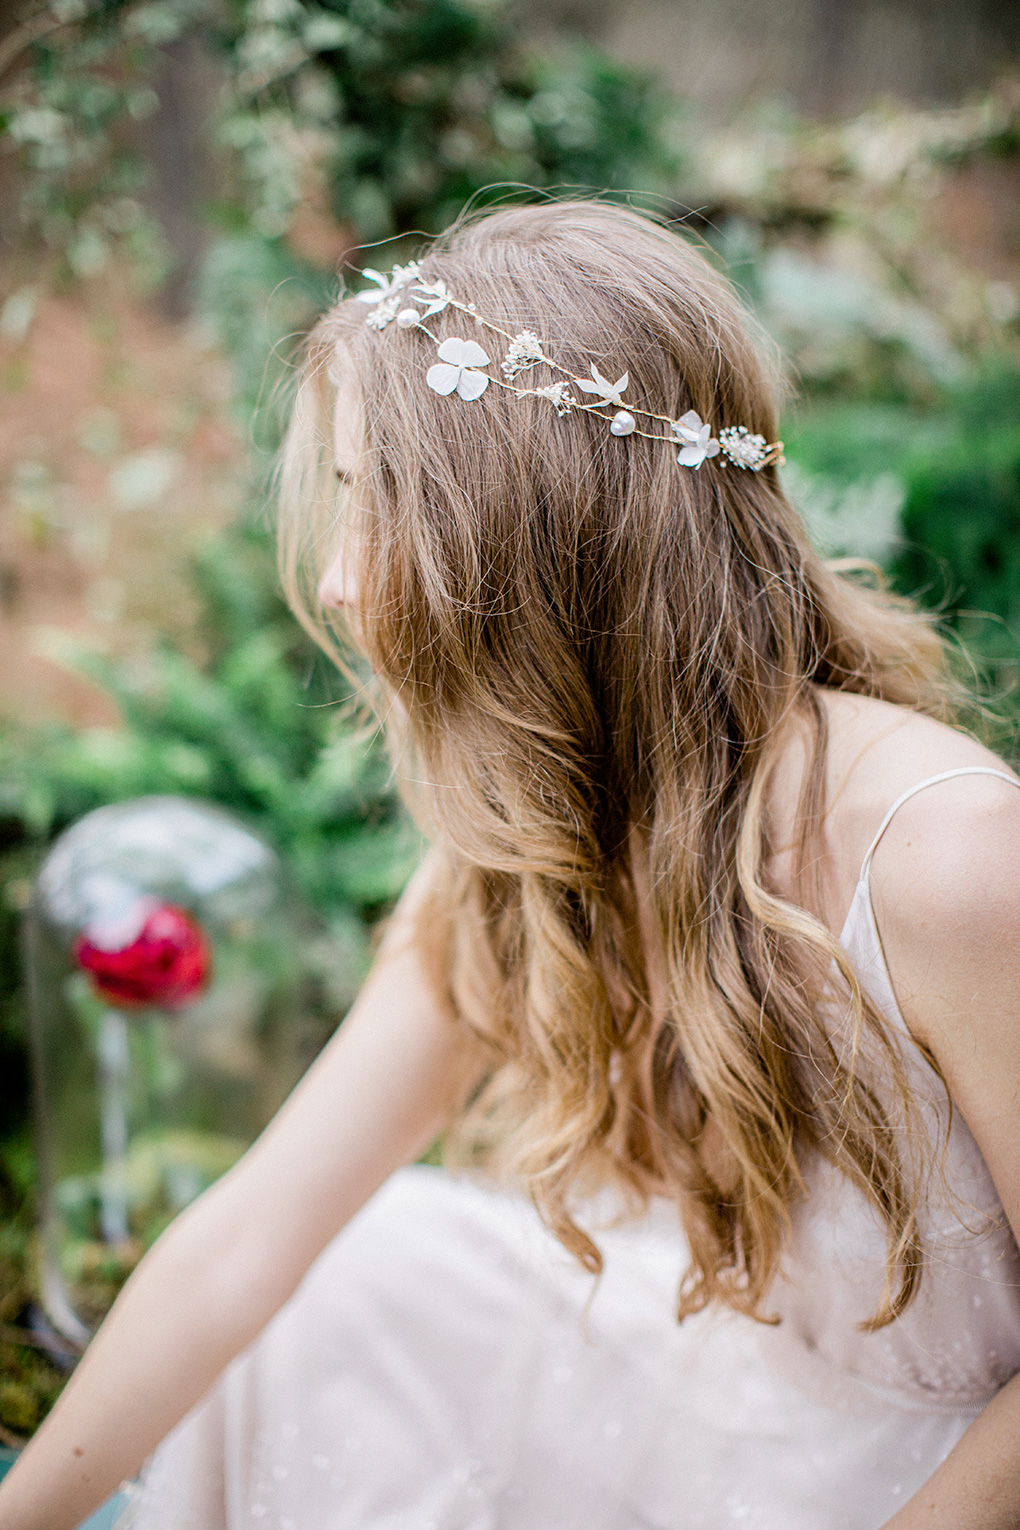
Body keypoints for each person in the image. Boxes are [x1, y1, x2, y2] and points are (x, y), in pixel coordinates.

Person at [2, 200, 1020, 1530]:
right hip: (700, 1400)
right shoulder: (521, 835)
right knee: (367, 1267)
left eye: (385, 513)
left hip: (925, 1488)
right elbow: (252, 1235)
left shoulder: (954, 862)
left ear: (545, 552)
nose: (342, 580)